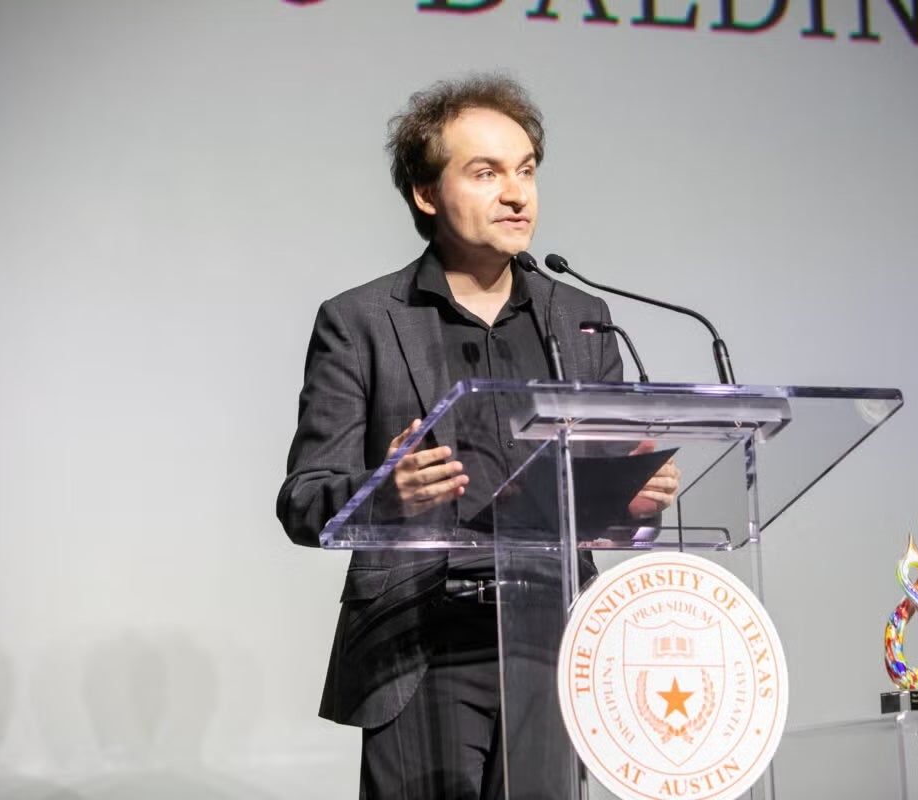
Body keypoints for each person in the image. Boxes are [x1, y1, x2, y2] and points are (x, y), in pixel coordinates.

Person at [276, 73, 679, 800]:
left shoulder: (581, 318)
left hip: (551, 643)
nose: (517, 193)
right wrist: (385, 493)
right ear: (426, 194)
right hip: (419, 644)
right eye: (485, 172)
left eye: (526, 170)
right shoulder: (361, 321)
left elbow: (608, 495)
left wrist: (635, 498)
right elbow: (304, 500)